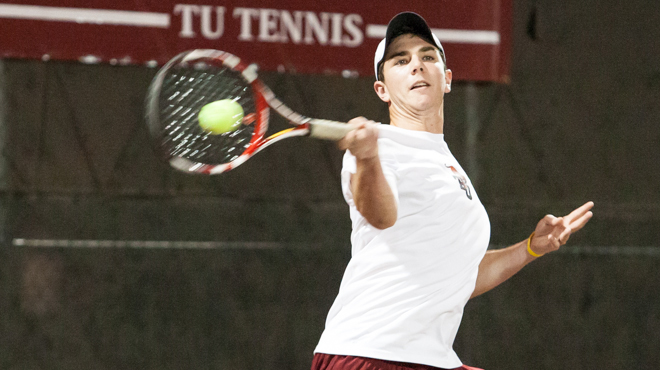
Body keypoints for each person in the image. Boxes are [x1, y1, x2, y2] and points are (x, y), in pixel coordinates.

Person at [311, 12, 594, 370]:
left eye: (428, 57)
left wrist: (529, 249)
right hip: (372, 351)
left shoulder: (446, 164)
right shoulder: (378, 146)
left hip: (428, 358)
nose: (417, 65)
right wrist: (367, 157)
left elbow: (460, 277)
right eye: (401, 61)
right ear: (381, 89)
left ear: (446, 79)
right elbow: (381, 216)